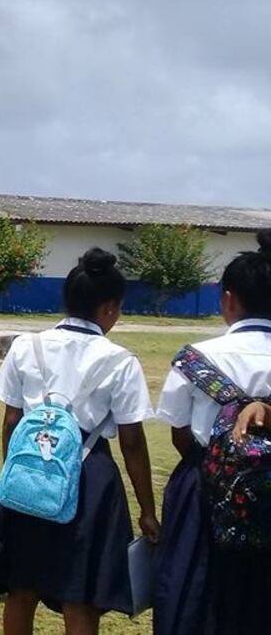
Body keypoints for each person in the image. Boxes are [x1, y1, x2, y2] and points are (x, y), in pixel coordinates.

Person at [0, 247, 160, 635]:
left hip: (29, 469)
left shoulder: (27, 345)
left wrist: (18, 476)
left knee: (21, 588)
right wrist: (147, 509)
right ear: (109, 309)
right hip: (90, 478)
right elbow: (133, 442)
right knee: (80, 596)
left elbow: (11, 420)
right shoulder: (120, 360)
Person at [152, 230, 271, 635]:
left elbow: (180, 432)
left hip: (206, 486)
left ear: (228, 299)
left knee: (194, 591)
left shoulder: (197, 358)